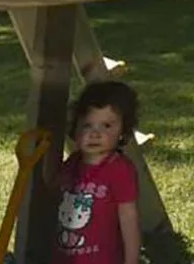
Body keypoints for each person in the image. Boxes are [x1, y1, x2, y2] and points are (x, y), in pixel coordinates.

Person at [53, 80, 141, 264]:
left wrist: (131, 260)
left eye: (107, 126)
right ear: (75, 129)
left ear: (123, 132)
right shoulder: (71, 164)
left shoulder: (120, 170)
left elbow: (128, 218)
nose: (95, 134)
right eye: (87, 125)